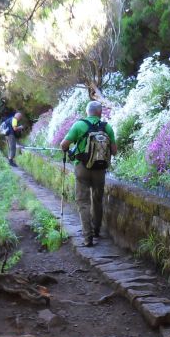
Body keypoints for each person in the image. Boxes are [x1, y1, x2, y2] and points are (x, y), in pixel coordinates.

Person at [60, 100, 117, 246]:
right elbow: (115, 151)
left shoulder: (79, 125)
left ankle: (88, 237)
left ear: (88, 112)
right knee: (97, 200)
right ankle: (96, 230)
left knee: (83, 202)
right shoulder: (107, 127)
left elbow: (64, 144)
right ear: (100, 112)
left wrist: (71, 150)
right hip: (100, 170)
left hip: (82, 169)